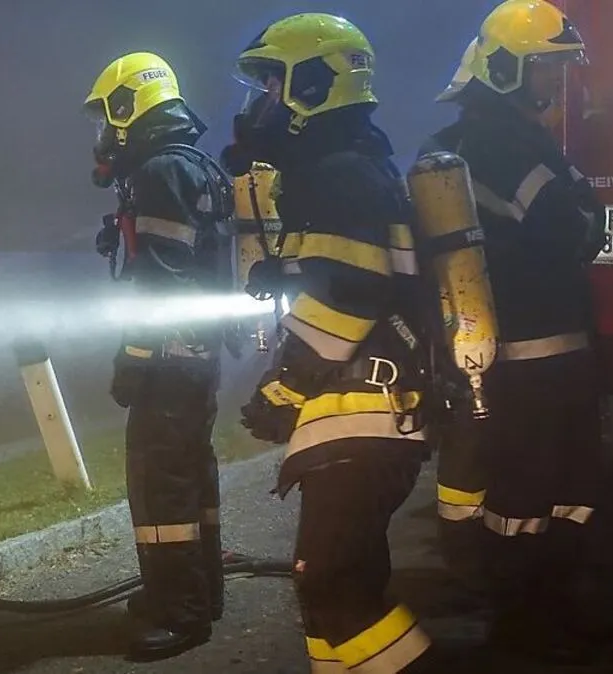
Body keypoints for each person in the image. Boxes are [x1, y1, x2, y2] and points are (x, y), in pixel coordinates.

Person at [228, 13, 444, 673]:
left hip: (362, 403)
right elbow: (342, 268)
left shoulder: (340, 171)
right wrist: (284, 269)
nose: (263, 100)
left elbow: (352, 291)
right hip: (370, 406)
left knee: (330, 586)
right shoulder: (351, 165)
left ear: (317, 82)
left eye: (273, 82)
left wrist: (283, 387)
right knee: (340, 591)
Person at [421, 0, 605, 663]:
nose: (556, 87)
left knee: (553, 494)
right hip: (532, 361)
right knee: (533, 495)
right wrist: (583, 215)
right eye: (545, 71)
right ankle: (524, 624)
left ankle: (540, 611)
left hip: (535, 355)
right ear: (502, 70)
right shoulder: (502, 144)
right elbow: (576, 224)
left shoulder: (473, 142)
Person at [84, 51, 234, 662]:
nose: (102, 133)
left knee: (161, 485)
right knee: (191, 474)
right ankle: (200, 594)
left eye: (106, 116)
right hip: (194, 354)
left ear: (129, 107)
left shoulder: (161, 173)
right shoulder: (185, 165)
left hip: (169, 357)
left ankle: (181, 613)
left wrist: (134, 357)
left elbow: (164, 285)